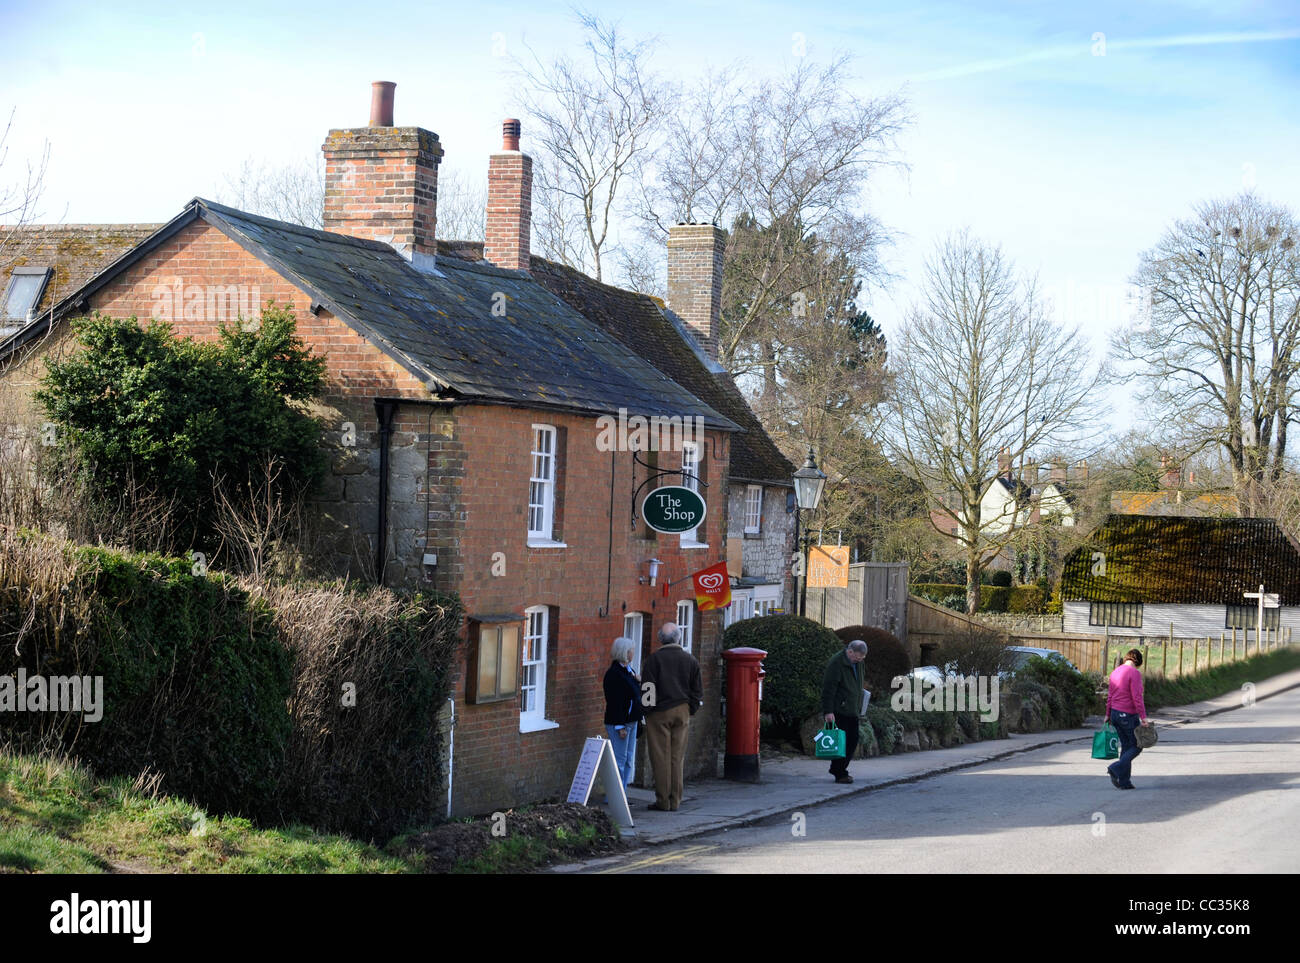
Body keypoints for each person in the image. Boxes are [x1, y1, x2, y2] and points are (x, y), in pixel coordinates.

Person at [640, 622, 703, 812]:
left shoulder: (653, 660)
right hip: (682, 710)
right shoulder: (690, 660)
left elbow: (648, 690)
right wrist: (690, 709)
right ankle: (675, 800)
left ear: (660, 639)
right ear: (678, 638)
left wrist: (646, 711)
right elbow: (697, 690)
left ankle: (663, 801)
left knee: (660, 757)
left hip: (659, 711)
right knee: (677, 757)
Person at [822, 639, 868, 784]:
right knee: (841, 743)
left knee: (852, 740)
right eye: (856, 657)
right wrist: (828, 711)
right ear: (849, 651)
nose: (859, 660)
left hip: (852, 708)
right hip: (839, 709)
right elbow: (828, 688)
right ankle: (840, 772)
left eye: (862, 658)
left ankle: (837, 769)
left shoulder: (859, 663)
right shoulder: (836, 663)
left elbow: (858, 682)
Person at [1105, 648, 1150, 790]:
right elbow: (1137, 697)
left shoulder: (1115, 672)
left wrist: (1107, 714)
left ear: (1126, 659)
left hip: (1114, 714)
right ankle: (1115, 768)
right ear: (1138, 662)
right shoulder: (1134, 673)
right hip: (1127, 714)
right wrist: (1143, 717)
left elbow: (1110, 695)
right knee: (1137, 745)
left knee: (1126, 746)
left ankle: (1124, 782)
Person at [602, 637, 642, 794]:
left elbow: (634, 694)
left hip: (631, 721)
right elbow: (614, 702)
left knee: (628, 761)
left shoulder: (629, 671)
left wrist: (638, 681)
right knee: (619, 761)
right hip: (620, 723)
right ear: (625, 653)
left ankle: (622, 793)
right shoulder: (614, 674)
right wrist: (620, 726)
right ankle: (615, 796)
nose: (633, 652)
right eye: (631, 650)